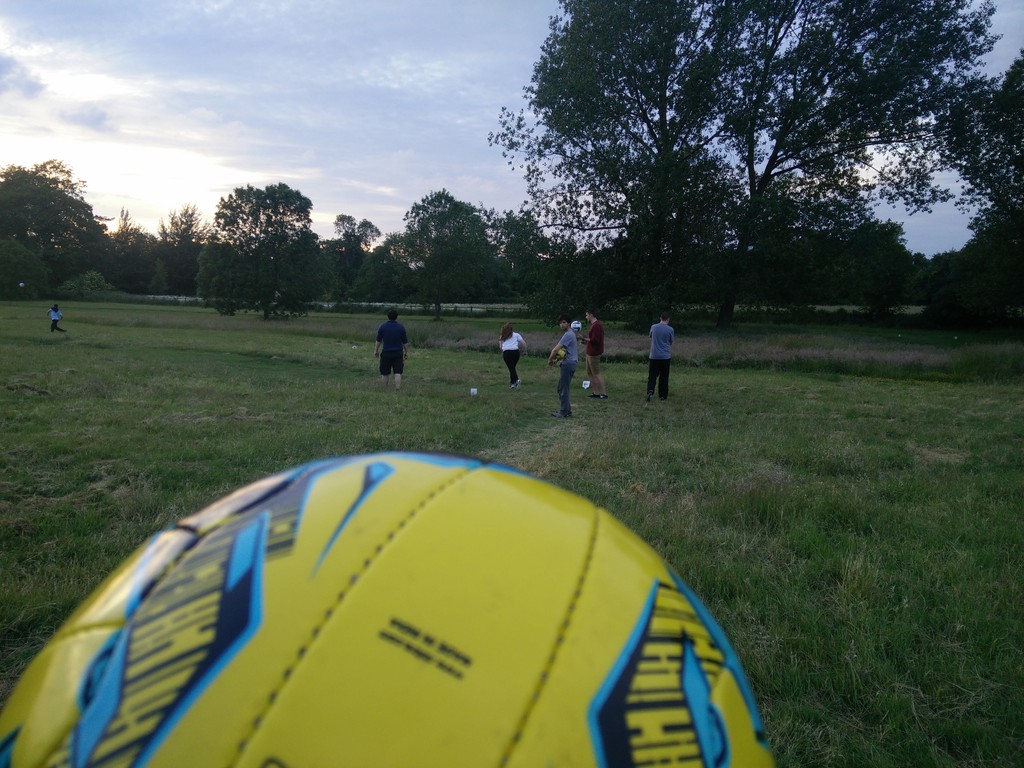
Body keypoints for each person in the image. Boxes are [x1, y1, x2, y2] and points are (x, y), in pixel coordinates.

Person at [547, 313, 578, 417]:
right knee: (562, 388)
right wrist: (557, 360)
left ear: (569, 323)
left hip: (568, 364)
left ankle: (564, 412)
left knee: (563, 388)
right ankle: (567, 410)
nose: (561, 324)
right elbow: (565, 351)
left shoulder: (568, 334)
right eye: (560, 323)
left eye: (564, 322)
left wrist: (550, 360)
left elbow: (555, 350)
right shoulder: (570, 334)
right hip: (569, 362)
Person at [374, 309, 409, 390]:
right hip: (398, 353)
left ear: (388, 316)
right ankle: (397, 388)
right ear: (396, 317)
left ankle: (385, 388)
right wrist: (406, 352)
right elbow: (405, 342)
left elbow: (378, 340)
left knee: (385, 372)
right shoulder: (401, 327)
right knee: (398, 372)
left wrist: (376, 350)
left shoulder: (383, 326)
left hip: (386, 352)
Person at [647, 312, 674, 402]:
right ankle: (663, 396)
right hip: (665, 356)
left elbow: (651, 337)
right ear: (668, 319)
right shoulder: (670, 329)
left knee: (652, 375)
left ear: (660, 318)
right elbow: (671, 341)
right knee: (664, 376)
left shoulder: (653, 327)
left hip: (654, 356)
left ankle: (650, 391)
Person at [582, 308, 607, 399]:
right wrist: (584, 341)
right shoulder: (593, 325)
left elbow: (595, 340)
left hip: (594, 353)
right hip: (589, 352)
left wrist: (583, 338)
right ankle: (595, 392)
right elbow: (591, 340)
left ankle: (604, 394)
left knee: (596, 373)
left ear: (591, 315)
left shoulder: (597, 326)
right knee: (589, 373)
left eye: (587, 315)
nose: (586, 317)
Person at [498, 322, 527, 389]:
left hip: (507, 353)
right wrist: (525, 351)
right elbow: (523, 343)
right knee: (512, 368)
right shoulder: (516, 335)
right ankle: (512, 384)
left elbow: (501, 347)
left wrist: (503, 352)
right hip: (516, 352)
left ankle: (517, 380)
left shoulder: (502, 336)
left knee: (511, 368)